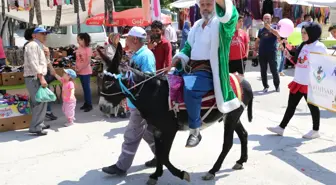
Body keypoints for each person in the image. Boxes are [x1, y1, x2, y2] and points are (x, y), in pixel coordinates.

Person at [171, 0, 241, 147]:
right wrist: (179, 57)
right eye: (202, 5)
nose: (205, 8)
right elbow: (188, 47)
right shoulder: (196, 25)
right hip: (190, 68)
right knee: (167, 83)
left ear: (215, 5)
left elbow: (231, 14)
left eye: (208, 4)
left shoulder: (222, 24)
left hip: (209, 71)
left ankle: (194, 130)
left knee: (191, 89)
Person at [102, 26, 157, 176]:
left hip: (141, 104)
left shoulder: (145, 55)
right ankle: (160, 157)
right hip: (136, 102)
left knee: (131, 136)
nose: (126, 41)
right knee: (147, 133)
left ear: (134, 39)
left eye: (127, 38)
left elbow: (148, 78)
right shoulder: (138, 54)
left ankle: (121, 166)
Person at [267, 23, 326, 139]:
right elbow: (297, 62)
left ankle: (315, 130)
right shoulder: (303, 45)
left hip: (309, 83)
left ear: (312, 33)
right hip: (298, 81)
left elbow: (324, 65)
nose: (302, 35)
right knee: (291, 106)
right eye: (302, 33)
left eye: (305, 33)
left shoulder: (319, 47)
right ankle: (281, 128)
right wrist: (288, 56)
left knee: (313, 107)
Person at [23, 27, 55, 136]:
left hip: (36, 77)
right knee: (39, 103)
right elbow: (34, 63)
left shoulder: (39, 46)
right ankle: (36, 127)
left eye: (45, 33)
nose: (45, 35)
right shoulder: (32, 45)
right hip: (34, 77)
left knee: (40, 101)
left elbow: (44, 61)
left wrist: (48, 55)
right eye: (42, 34)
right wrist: (41, 78)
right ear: (34, 35)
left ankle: (39, 123)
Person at [255, 13, 281, 93]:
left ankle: (277, 86)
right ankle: (265, 86)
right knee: (263, 70)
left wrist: (269, 28)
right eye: (265, 18)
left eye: (268, 18)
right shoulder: (260, 30)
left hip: (272, 53)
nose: (266, 19)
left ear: (271, 19)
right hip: (262, 53)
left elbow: (278, 35)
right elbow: (258, 40)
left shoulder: (274, 27)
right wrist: (255, 49)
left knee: (274, 70)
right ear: (263, 19)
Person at [76, 33, 93, 112]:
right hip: (80, 71)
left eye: (79, 39)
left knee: (87, 88)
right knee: (84, 88)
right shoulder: (79, 48)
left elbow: (88, 61)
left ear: (83, 40)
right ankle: (86, 103)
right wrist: (77, 68)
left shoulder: (88, 49)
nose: (78, 41)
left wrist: (80, 68)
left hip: (86, 71)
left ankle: (89, 104)